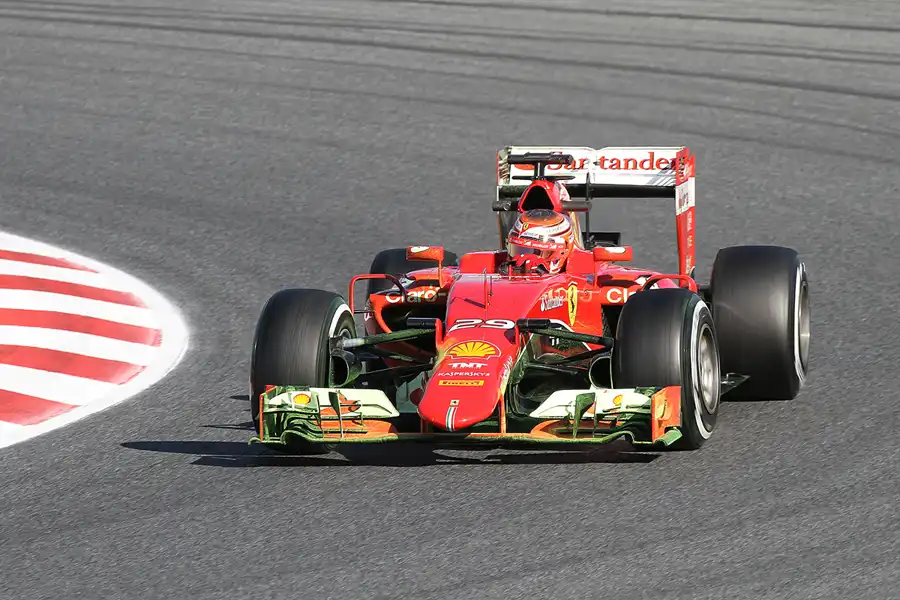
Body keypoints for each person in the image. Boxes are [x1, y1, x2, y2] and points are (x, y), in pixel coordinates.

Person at [504, 208, 576, 274]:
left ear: (563, 251)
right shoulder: (498, 263)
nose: (525, 259)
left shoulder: (584, 274)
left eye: (537, 252)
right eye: (519, 250)